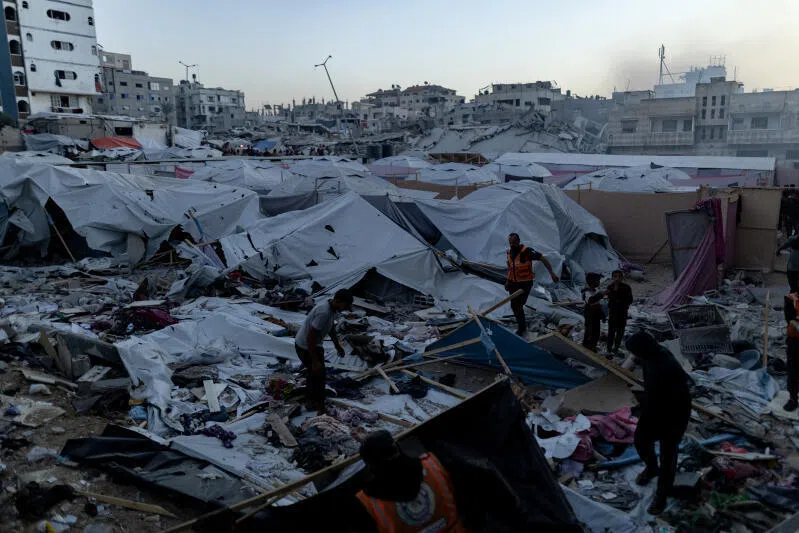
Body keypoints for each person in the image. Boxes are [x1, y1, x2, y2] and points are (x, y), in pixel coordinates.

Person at [625, 331, 692, 515]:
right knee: (641, 440)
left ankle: (662, 495)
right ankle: (651, 468)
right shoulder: (652, 355)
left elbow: (669, 397)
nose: (636, 356)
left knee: (668, 455)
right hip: (655, 407)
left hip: (674, 413)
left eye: (636, 352)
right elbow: (639, 361)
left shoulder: (665, 366)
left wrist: (639, 407)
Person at [349, 431, 467, 533]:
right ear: (398, 448)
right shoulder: (433, 464)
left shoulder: (367, 502)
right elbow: (458, 495)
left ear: (370, 466)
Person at [294, 289, 353, 410]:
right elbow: (311, 337)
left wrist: (337, 345)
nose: (345, 308)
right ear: (337, 300)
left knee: (315, 374)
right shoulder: (324, 312)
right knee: (318, 374)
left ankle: (312, 400)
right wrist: (315, 360)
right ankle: (316, 403)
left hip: (314, 344)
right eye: (345, 305)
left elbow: (330, 327)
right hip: (306, 346)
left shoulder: (332, 309)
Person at [505, 232, 559, 336]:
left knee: (518, 305)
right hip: (513, 283)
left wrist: (552, 273)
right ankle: (521, 325)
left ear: (519, 241)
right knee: (514, 305)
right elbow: (511, 268)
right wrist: (508, 281)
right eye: (510, 243)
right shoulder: (509, 253)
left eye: (514, 242)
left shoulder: (527, 251)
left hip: (525, 284)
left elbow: (542, 258)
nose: (512, 245)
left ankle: (522, 328)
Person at [605, 270, 633, 354]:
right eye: (615, 276)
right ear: (612, 277)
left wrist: (623, 304)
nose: (617, 278)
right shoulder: (610, 287)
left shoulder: (626, 287)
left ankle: (616, 347)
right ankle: (609, 348)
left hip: (622, 313)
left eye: (619, 276)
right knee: (611, 331)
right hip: (613, 313)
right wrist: (615, 290)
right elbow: (611, 299)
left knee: (620, 332)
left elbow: (630, 300)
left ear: (622, 277)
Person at [784, 293, 799, 411]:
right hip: (794, 340)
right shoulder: (791, 298)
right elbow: (788, 318)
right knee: (792, 370)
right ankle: (793, 399)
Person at [581, 273, 604, 352]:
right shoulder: (587, 291)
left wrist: (602, 314)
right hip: (590, 312)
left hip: (596, 312)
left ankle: (593, 345)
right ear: (591, 281)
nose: (599, 282)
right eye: (597, 280)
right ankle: (587, 346)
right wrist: (601, 294)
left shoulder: (596, 290)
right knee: (590, 330)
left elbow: (597, 304)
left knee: (596, 330)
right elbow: (590, 301)